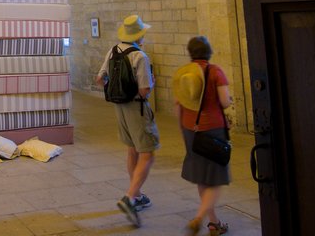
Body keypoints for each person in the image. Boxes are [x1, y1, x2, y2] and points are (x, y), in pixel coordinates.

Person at [94, 14, 159, 228]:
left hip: (119, 107)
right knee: (147, 153)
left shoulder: (113, 51)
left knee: (132, 149)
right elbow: (144, 89)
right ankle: (130, 197)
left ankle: (138, 195)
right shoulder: (140, 56)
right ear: (139, 35)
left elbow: (100, 78)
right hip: (137, 108)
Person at [172, 35, 232, 235]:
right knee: (215, 177)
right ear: (209, 51)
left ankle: (214, 222)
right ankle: (199, 217)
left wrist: (183, 129)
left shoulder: (184, 74)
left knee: (202, 177)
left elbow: (177, 105)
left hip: (191, 129)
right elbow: (224, 102)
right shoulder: (215, 72)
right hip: (213, 129)